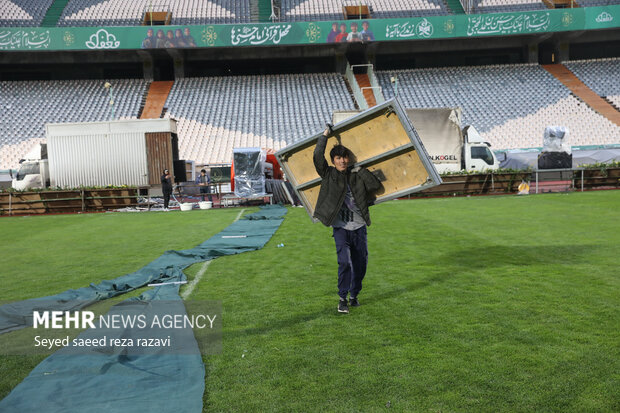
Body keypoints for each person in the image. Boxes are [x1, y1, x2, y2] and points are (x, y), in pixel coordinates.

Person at [313, 126, 382, 314]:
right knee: (344, 262)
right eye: (338, 158)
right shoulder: (328, 174)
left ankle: (354, 295)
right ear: (333, 161)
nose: (342, 161)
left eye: (344, 158)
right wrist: (324, 136)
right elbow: (317, 157)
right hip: (340, 227)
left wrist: (362, 171)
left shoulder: (356, 174)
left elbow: (376, 186)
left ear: (348, 159)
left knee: (361, 263)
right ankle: (342, 299)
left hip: (359, 226)